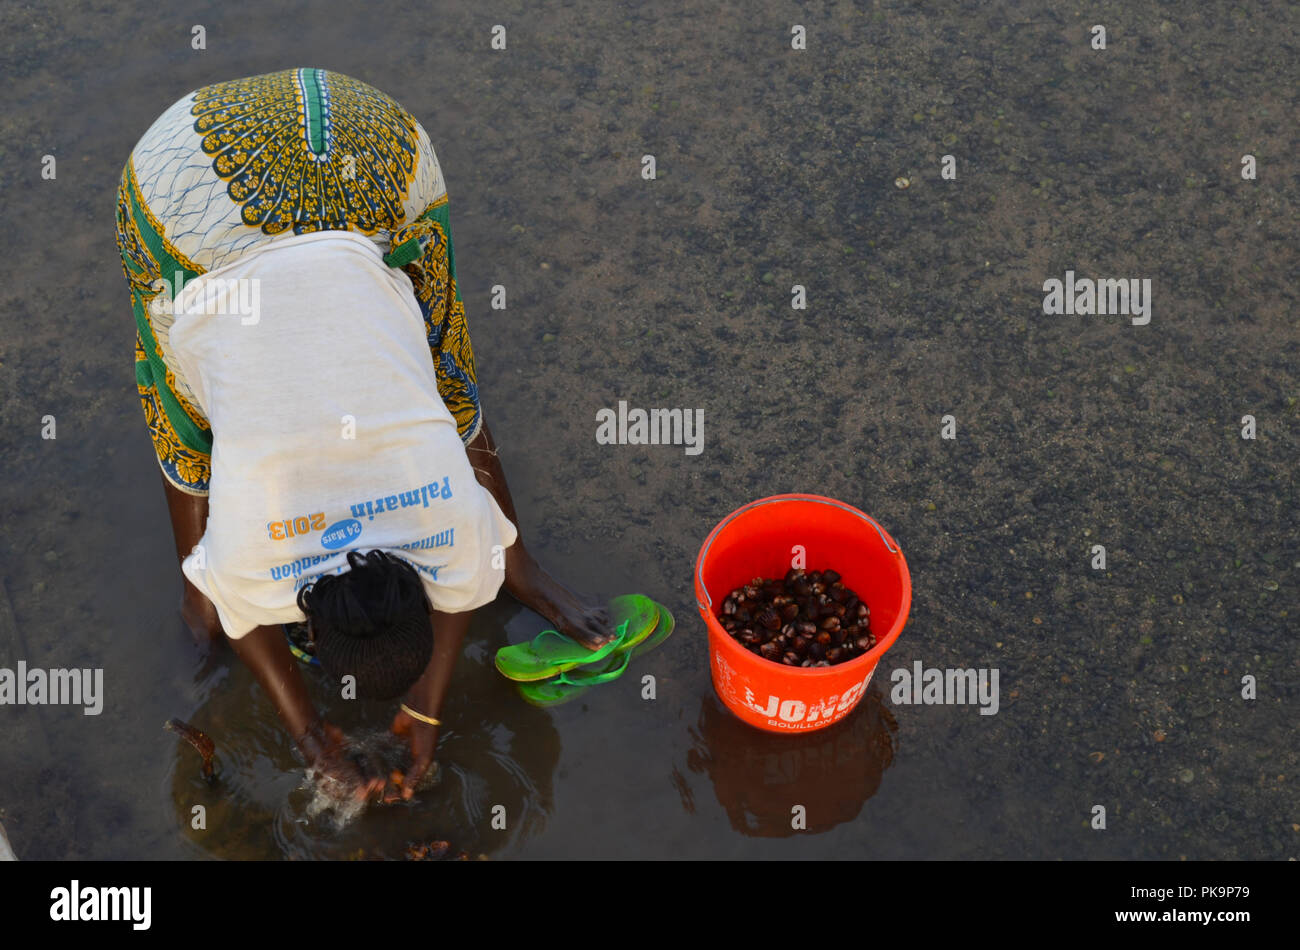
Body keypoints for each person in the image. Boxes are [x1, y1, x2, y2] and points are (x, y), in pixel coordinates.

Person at [115, 67, 614, 801]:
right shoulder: (260, 557)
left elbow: (452, 587)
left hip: (360, 142)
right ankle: (190, 602)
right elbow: (452, 597)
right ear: (306, 627)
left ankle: (198, 600)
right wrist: (332, 727)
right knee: (184, 420)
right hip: (190, 200)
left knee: (439, 363)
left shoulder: (439, 526)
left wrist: (404, 715)